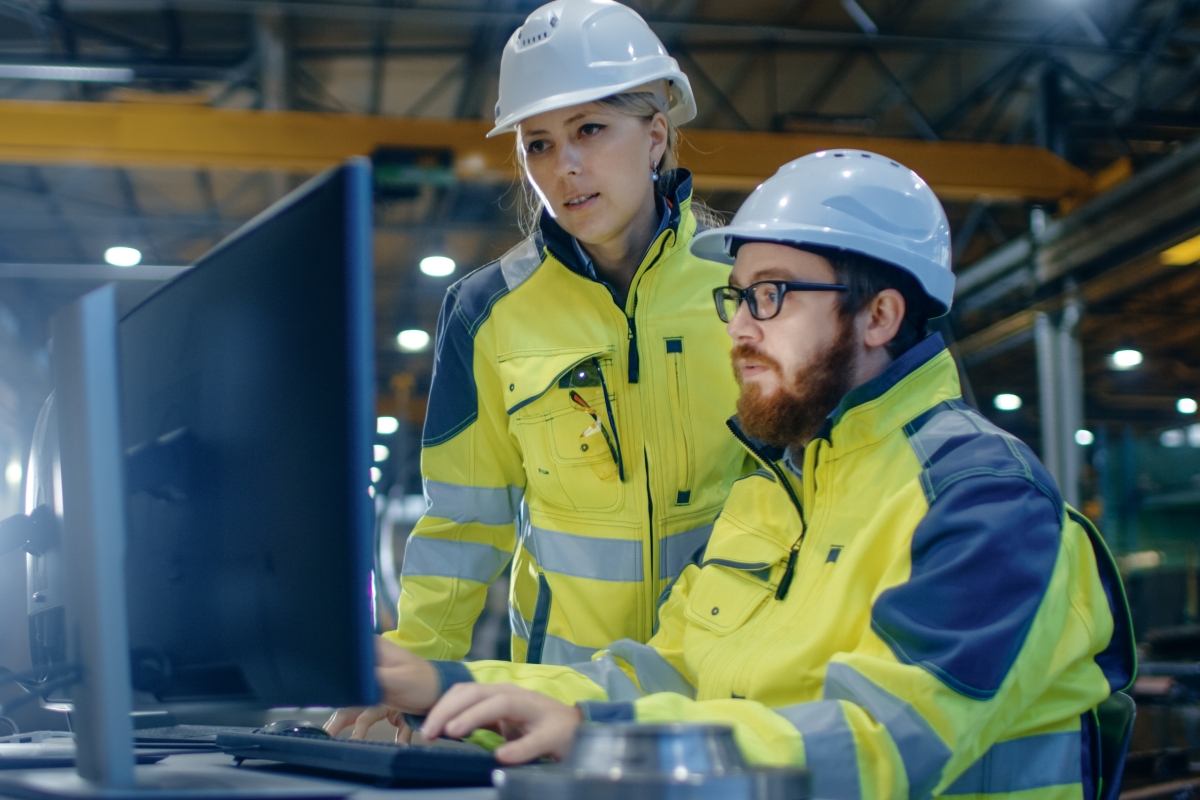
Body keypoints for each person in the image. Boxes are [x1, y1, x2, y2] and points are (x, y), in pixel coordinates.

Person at [328, 150, 1136, 800]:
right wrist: (443, 683)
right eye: (738, 298)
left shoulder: (984, 502)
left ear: (881, 316)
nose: (740, 329)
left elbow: (885, 743)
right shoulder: (774, 492)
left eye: (773, 296)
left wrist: (608, 745)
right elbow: (663, 671)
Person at [347, 0, 749, 738]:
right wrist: (413, 676)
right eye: (537, 144)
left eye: (590, 130)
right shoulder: (488, 310)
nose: (562, 168)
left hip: (733, 689)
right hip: (561, 701)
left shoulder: (747, 289)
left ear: (655, 135)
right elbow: (464, 523)